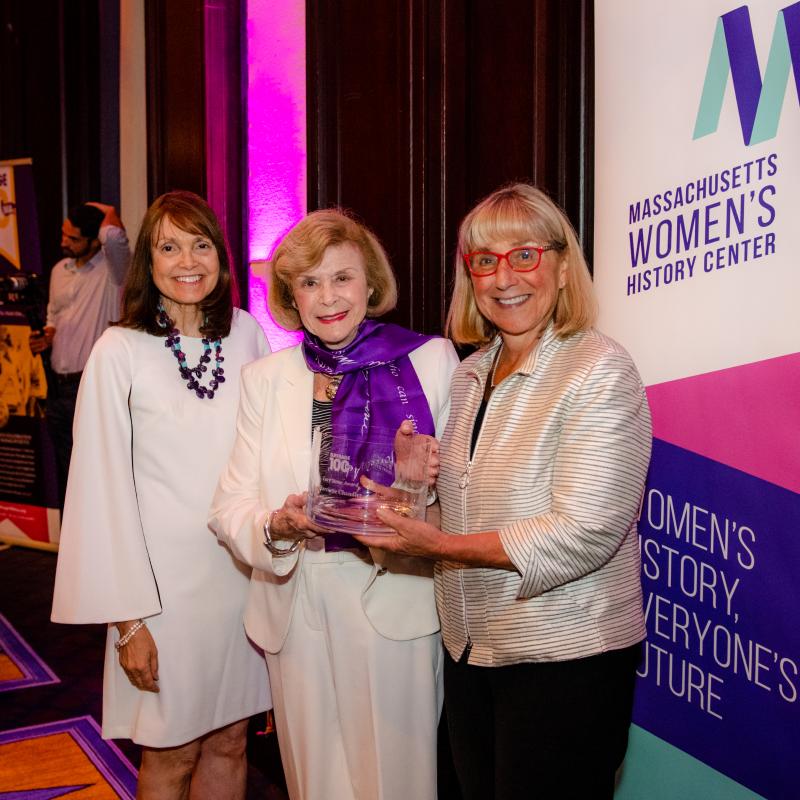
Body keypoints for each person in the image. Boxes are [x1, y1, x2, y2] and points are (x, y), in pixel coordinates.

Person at [358, 183, 653, 800]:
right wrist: (403, 502)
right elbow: (462, 513)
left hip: (565, 659)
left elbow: (584, 533)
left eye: (524, 255)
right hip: (472, 649)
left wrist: (437, 544)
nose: (503, 277)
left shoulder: (600, 368)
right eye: (484, 261)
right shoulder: (471, 373)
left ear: (563, 265)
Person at [209, 208, 460, 800]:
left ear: (370, 283)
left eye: (341, 278)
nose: (328, 298)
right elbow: (230, 504)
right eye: (310, 283)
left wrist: (411, 487)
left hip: (391, 596)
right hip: (296, 601)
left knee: (398, 783)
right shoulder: (265, 379)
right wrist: (279, 525)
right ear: (291, 297)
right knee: (313, 782)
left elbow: (465, 500)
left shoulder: (431, 360)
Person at [51, 191, 271, 800]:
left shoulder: (248, 335)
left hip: (240, 582)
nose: (187, 261)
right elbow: (100, 492)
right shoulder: (118, 351)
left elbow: (272, 454)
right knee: (170, 754)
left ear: (220, 256)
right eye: (168, 246)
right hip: (158, 594)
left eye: (200, 244)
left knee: (230, 741)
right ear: (147, 259)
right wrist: (128, 624)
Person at [36, 202, 131, 506]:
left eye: (73, 238)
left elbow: (115, 237)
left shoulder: (113, 272)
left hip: (89, 387)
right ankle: (69, 549)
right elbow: (53, 315)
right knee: (65, 474)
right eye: (64, 234)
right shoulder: (58, 271)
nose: (64, 242)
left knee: (94, 473)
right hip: (57, 386)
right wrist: (47, 336)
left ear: (93, 240)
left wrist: (108, 210)